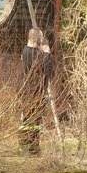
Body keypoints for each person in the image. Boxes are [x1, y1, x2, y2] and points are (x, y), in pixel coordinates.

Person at [20, 27, 53, 155]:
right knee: (33, 121)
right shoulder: (33, 53)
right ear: (36, 38)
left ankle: (27, 147)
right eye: (40, 37)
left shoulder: (26, 51)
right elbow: (47, 71)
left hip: (29, 92)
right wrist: (47, 53)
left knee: (29, 120)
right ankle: (31, 148)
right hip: (35, 92)